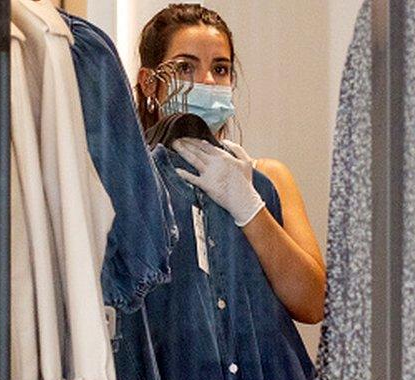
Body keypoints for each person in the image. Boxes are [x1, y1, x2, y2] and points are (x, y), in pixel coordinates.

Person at [135, 4, 326, 324]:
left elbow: (314, 304)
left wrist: (250, 207)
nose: (207, 81)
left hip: (269, 372)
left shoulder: (269, 177)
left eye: (220, 69)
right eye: (185, 67)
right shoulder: (135, 181)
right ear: (150, 83)